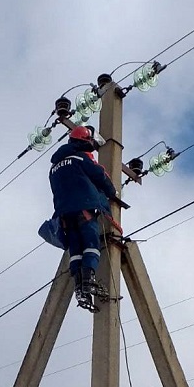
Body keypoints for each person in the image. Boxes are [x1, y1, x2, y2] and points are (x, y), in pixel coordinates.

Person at [48, 125, 128, 310]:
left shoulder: (54, 168)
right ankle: (88, 279)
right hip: (83, 208)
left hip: (64, 215)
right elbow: (99, 175)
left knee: (76, 249)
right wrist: (112, 191)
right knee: (91, 243)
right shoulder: (80, 158)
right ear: (84, 141)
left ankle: (80, 287)